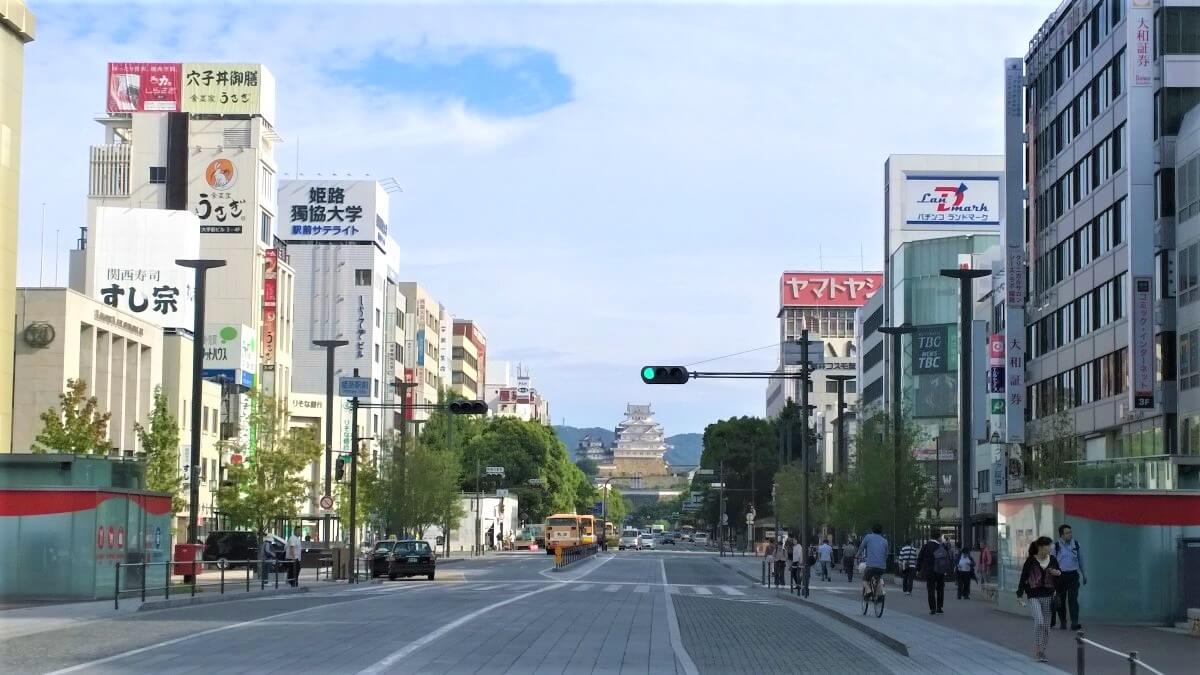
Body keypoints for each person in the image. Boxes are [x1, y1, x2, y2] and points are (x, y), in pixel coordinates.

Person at [1017, 536, 1062, 663]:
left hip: (1049, 595)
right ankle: (1037, 649)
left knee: (1047, 627)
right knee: (1040, 622)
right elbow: (1023, 577)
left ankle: (1042, 651)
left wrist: (1057, 573)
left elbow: (1059, 575)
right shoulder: (1031, 560)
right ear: (1041, 547)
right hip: (1034, 596)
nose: (1051, 548)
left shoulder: (1052, 559)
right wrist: (1019, 594)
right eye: (1048, 546)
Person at [1053, 524, 1086, 631]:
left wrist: (1084, 574)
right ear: (1062, 535)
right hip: (1060, 576)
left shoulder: (1076, 544)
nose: (1070, 535)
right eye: (1067, 533)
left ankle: (1074, 623)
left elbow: (1080, 560)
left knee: (1073, 600)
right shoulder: (1056, 547)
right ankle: (1063, 622)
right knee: (1061, 601)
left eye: (1070, 532)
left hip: (1073, 575)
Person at [917, 533, 951, 614]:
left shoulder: (925, 546)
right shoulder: (941, 546)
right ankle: (939, 607)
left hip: (929, 571)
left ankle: (932, 608)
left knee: (931, 589)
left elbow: (920, 558)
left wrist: (918, 569)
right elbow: (947, 558)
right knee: (940, 589)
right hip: (940, 571)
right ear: (939, 537)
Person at [855, 524, 889, 597]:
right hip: (882, 567)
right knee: (878, 579)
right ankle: (879, 596)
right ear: (881, 531)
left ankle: (868, 590)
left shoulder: (868, 537)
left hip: (871, 566)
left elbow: (861, 548)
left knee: (865, 579)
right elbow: (886, 555)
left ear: (872, 530)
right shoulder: (885, 541)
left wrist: (857, 555)